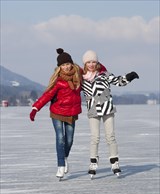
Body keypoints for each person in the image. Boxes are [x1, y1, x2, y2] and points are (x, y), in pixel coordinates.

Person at [81, 50, 139, 178]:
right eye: (88, 62)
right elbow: (71, 90)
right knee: (94, 137)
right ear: (85, 63)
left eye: (94, 61)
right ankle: (93, 163)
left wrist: (129, 77)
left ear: (97, 62)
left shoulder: (104, 74)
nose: (91, 64)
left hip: (107, 108)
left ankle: (115, 163)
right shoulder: (81, 78)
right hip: (93, 110)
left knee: (110, 136)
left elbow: (118, 81)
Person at [29, 48, 82, 179]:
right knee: (60, 138)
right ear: (59, 67)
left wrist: (93, 61)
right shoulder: (58, 81)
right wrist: (35, 108)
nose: (66, 67)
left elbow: (94, 69)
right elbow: (47, 95)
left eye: (68, 63)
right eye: (63, 65)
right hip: (57, 112)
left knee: (69, 139)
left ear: (72, 63)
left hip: (72, 113)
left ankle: (64, 157)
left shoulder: (78, 77)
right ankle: (60, 165)